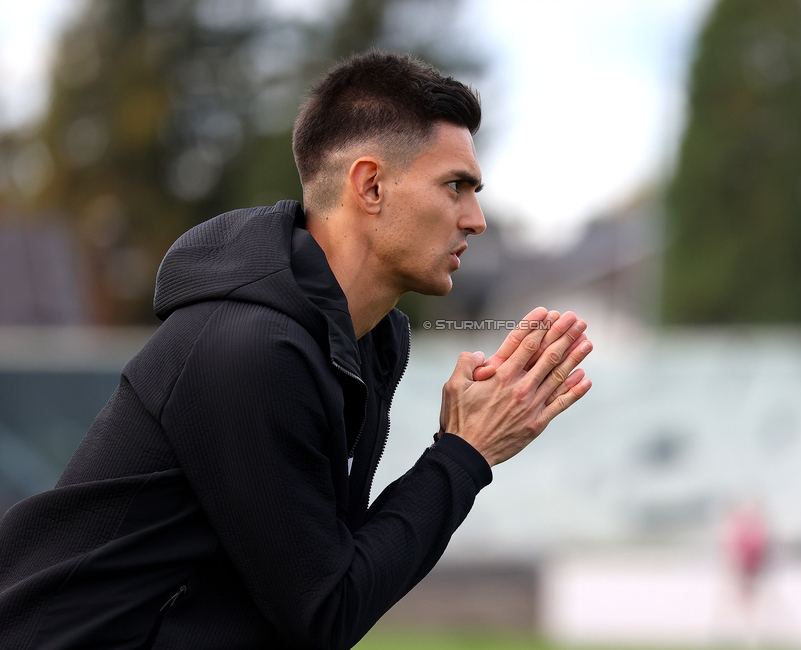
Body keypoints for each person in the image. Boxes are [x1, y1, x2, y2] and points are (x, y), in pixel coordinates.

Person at [0, 51, 592, 648]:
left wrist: (461, 453)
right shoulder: (249, 350)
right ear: (371, 185)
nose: (476, 219)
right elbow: (326, 611)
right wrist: (465, 454)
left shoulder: (366, 341)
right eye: (455, 186)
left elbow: (328, 573)